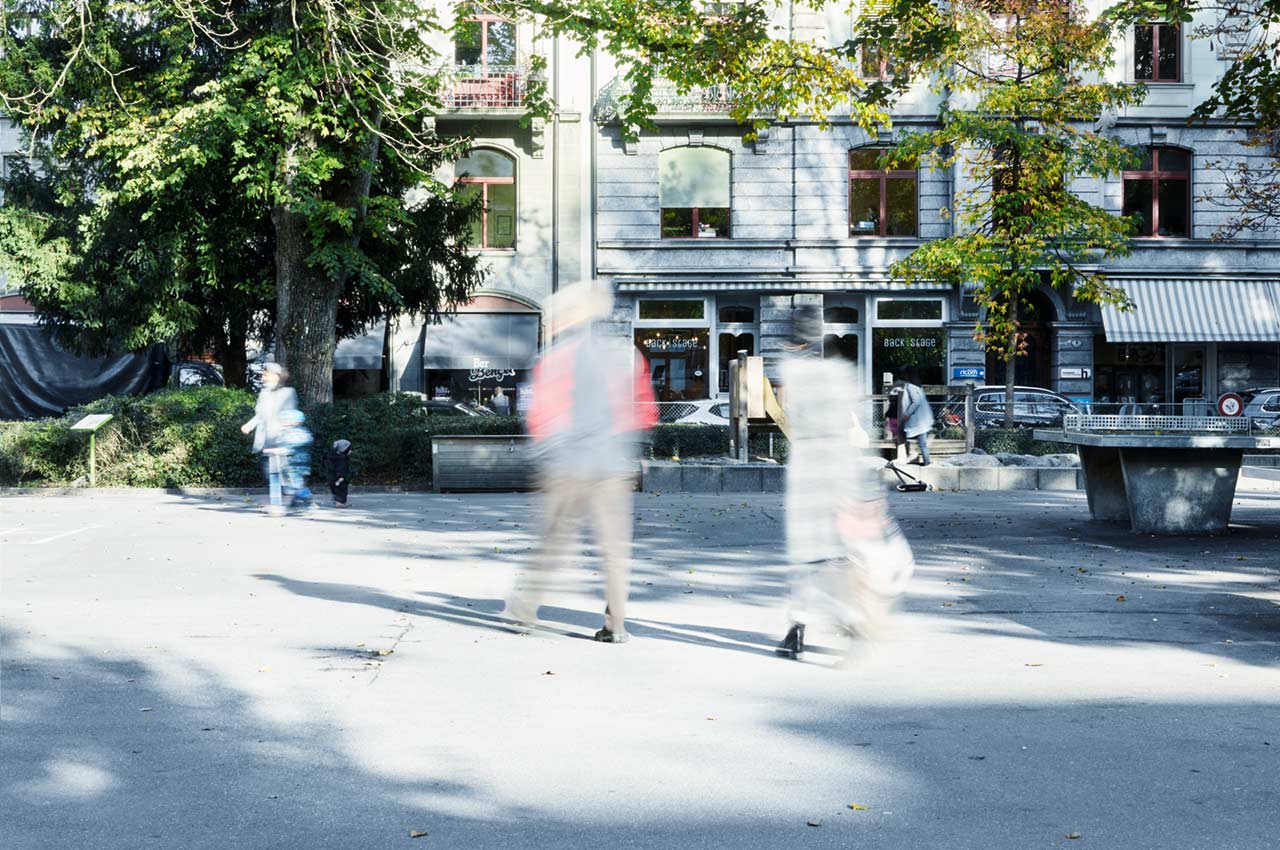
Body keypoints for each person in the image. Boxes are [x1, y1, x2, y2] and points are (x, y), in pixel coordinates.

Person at [504, 280, 658, 643]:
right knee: (615, 548)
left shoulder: (556, 358)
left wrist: (545, 456)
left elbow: (542, 415)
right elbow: (645, 412)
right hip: (612, 464)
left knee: (554, 539)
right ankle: (615, 624)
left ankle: (525, 608)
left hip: (568, 465)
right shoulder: (626, 355)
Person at [775, 304, 914, 660]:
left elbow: (787, 411)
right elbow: (858, 426)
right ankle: (851, 622)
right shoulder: (841, 373)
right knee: (841, 553)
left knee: (806, 553)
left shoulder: (792, 370)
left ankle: (799, 629)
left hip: (807, 467)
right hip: (839, 465)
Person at [241, 362, 299, 513]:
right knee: (272, 474)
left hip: (282, 440)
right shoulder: (264, 393)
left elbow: (291, 417)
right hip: (267, 440)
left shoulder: (288, 393)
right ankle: (278, 504)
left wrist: (286, 439)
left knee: (286, 476)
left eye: (266, 374)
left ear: (276, 376)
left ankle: (301, 499)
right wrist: (249, 425)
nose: (263, 376)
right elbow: (260, 415)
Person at [269, 408, 314, 512]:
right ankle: (294, 505)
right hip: (288, 464)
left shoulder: (300, 433)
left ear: (296, 421)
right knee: (290, 485)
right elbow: (282, 442)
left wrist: (284, 449)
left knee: (296, 485)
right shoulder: (286, 432)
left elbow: (297, 443)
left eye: (286, 420)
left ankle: (309, 503)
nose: (283, 422)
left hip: (298, 465)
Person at [899, 369, 935, 466]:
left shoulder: (910, 387)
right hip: (922, 420)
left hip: (917, 421)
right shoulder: (918, 387)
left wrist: (907, 414)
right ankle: (924, 461)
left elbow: (916, 402)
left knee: (917, 442)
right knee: (922, 443)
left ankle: (923, 461)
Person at [328, 439, 352, 507]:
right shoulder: (342, 459)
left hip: (332, 477)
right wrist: (341, 477)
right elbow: (341, 468)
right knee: (341, 489)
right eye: (348, 449)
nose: (350, 451)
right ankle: (340, 503)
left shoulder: (333, 456)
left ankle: (338, 501)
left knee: (336, 490)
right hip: (339, 478)